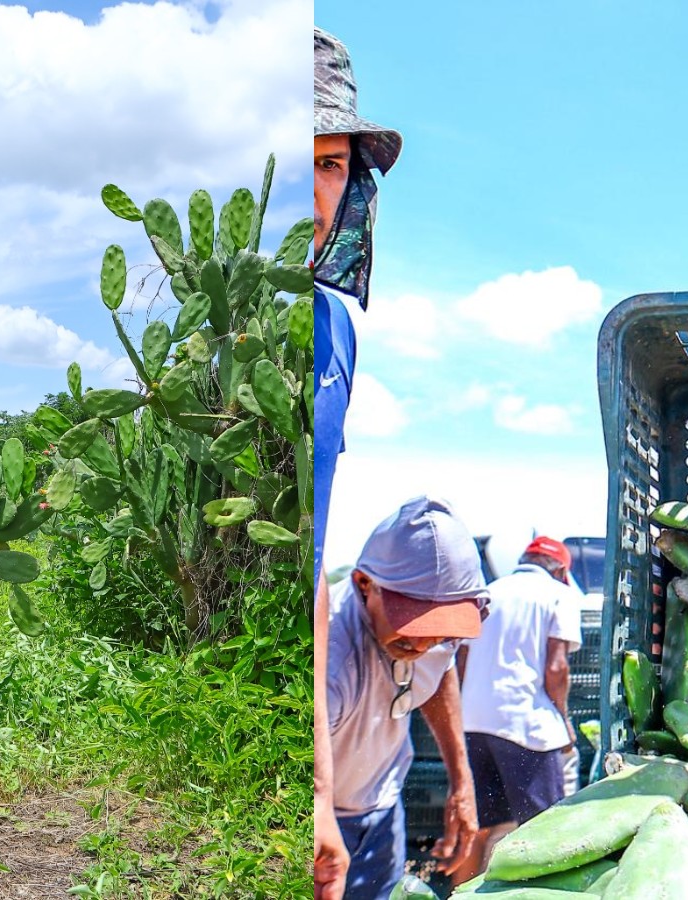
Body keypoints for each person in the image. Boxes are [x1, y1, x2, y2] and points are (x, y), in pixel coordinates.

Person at [313, 24, 404, 900]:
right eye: (298, 161)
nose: (316, 192)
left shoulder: (335, 327)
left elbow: (307, 564)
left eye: (334, 165)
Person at [328, 496, 486, 900]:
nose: (422, 644)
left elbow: (439, 673)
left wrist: (461, 782)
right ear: (365, 585)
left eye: (439, 629)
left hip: (383, 810)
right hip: (325, 818)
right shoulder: (330, 656)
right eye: (411, 625)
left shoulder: (434, 642)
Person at [454, 536, 581, 884]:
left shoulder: (489, 592)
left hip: (474, 723)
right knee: (543, 830)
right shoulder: (559, 594)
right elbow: (556, 669)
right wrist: (565, 721)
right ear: (559, 570)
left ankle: (457, 895)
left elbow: (462, 659)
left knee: (479, 827)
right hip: (526, 726)